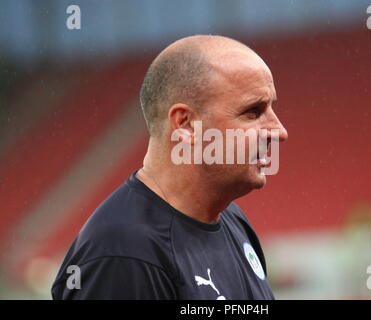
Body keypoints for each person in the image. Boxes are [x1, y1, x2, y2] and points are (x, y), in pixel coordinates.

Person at [51, 35, 288, 299]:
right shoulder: (123, 255)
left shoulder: (232, 219)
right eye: (253, 112)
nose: (279, 131)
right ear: (185, 124)